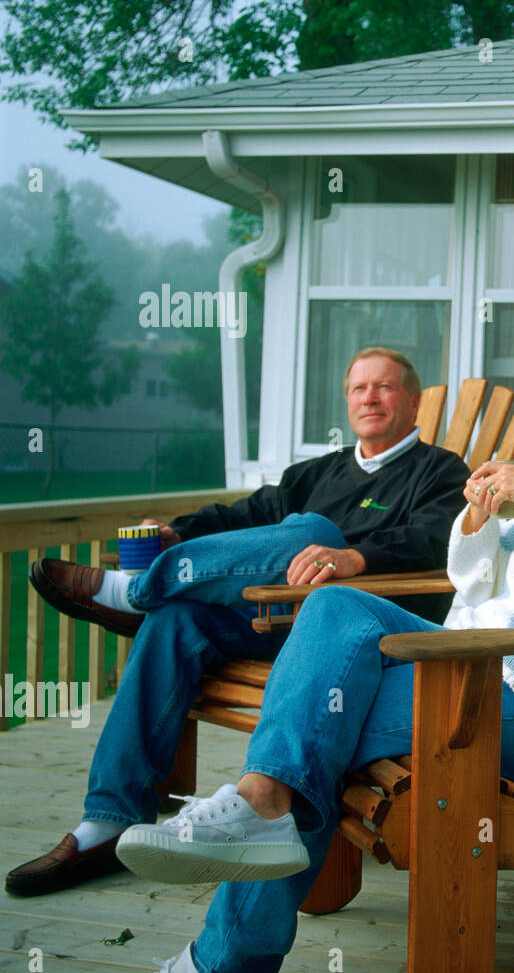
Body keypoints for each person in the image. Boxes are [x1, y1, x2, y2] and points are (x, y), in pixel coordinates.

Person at [83, 321, 514, 973]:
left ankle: (229, 966)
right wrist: (480, 524)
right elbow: (475, 588)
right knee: (333, 608)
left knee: (324, 726)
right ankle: (255, 830)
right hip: (481, 668)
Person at [6, 347, 470, 898]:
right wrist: (177, 533)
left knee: (307, 531)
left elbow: (438, 538)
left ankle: (136, 592)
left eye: (385, 387)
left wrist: (355, 556)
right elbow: (243, 517)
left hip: (354, 637)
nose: (370, 397)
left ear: (413, 400)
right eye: (359, 388)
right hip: (273, 621)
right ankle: (108, 821)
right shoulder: (316, 472)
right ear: (347, 402)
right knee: (178, 617)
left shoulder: (441, 470)